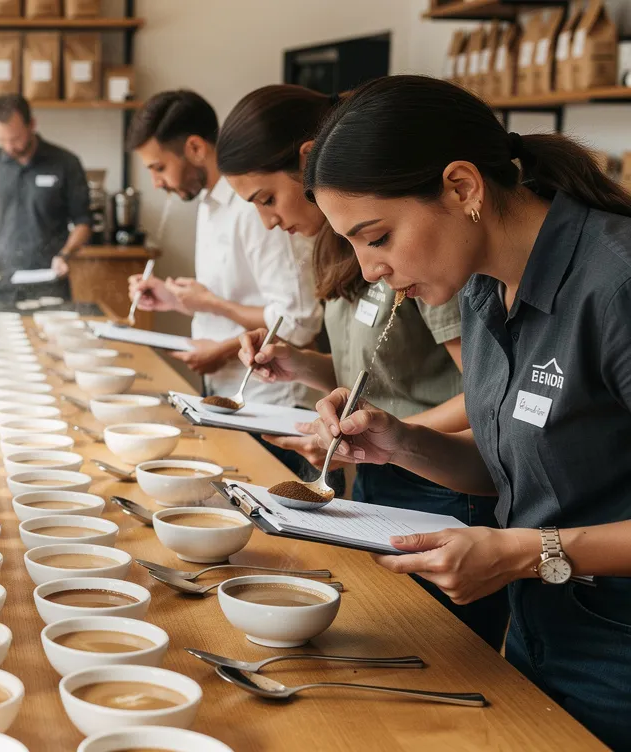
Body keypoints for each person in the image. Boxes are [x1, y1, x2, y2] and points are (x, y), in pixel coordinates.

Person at [303, 75, 631, 749]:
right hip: (542, 637)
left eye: (379, 237)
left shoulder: (616, 285)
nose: (368, 270)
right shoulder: (483, 291)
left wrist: (526, 552)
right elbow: (517, 470)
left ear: (462, 187)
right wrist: (399, 442)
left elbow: (538, 530)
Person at [218, 84, 508, 649]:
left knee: (435, 650)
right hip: (387, 477)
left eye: (267, 198)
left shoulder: (433, 256)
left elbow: (486, 397)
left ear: (307, 162)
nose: (268, 221)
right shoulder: (348, 252)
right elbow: (375, 375)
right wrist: (302, 366)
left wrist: (386, 437)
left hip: (442, 488)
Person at [124, 90, 327, 487]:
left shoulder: (258, 209)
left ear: (195, 147)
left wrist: (221, 344)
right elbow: (234, 297)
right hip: (227, 395)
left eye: (159, 167)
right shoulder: (210, 203)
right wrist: (177, 299)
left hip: (268, 404)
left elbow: (298, 319)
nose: (156, 182)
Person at [0, 94, 91, 302]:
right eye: (1, 139)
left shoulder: (65, 163)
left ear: (31, 124)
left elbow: (83, 222)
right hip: (0, 286)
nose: (9, 146)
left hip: (49, 284)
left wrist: (65, 254)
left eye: (14, 138)